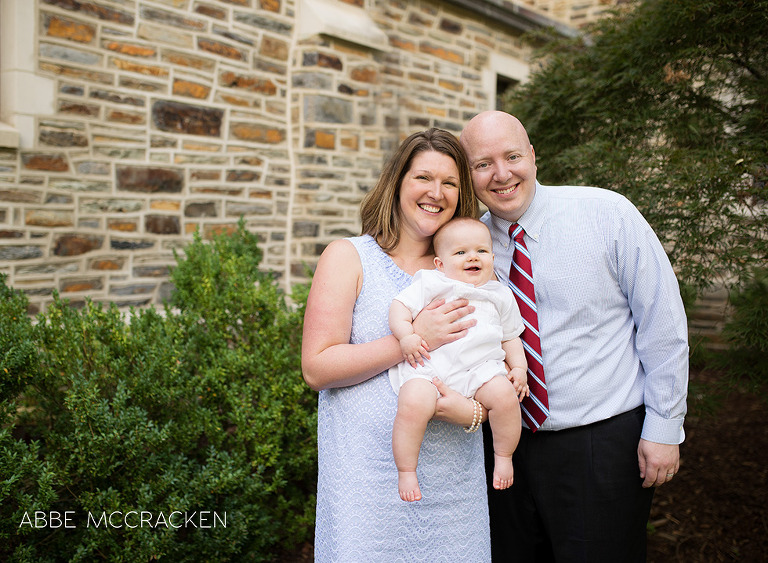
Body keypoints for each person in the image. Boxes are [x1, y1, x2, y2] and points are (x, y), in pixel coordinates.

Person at [459, 110, 689, 562]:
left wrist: (665, 426)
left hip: (602, 444)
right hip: (500, 447)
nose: (502, 174)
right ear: (469, 176)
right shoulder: (468, 245)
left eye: (512, 156)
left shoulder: (606, 213)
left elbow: (662, 321)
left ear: (533, 157)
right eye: (483, 163)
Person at [302, 128, 493, 561]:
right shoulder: (349, 257)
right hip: (366, 484)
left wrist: (476, 413)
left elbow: (490, 359)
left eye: (449, 183)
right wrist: (413, 339)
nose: (436, 193)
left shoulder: (468, 267)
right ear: (398, 182)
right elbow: (317, 368)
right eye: (423, 178)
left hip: (452, 486)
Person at [389, 217, 528, 502]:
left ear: (492, 257)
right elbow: (399, 307)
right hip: (431, 366)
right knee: (413, 403)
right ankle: (406, 469)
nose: (472, 257)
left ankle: (503, 455)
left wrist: (519, 368)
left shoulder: (500, 294)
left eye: (481, 251)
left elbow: (511, 336)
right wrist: (406, 336)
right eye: (461, 252)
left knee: (505, 397)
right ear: (440, 264)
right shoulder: (433, 283)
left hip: (481, 370)